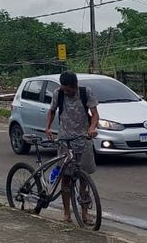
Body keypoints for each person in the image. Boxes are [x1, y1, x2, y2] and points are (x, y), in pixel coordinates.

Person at [44, 71, 100, 224]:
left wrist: (92, 128)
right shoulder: (58, 94)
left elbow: (95, 114)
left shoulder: (85, 92)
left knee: (84, 179)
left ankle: (84, 213)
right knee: (66, 179)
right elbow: (52, 111)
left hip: (83, 139)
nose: (66, 92)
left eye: (68, 89)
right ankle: (67, 213)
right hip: (64, 141)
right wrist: (48, 127)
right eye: (64, 89)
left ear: (74, 86)